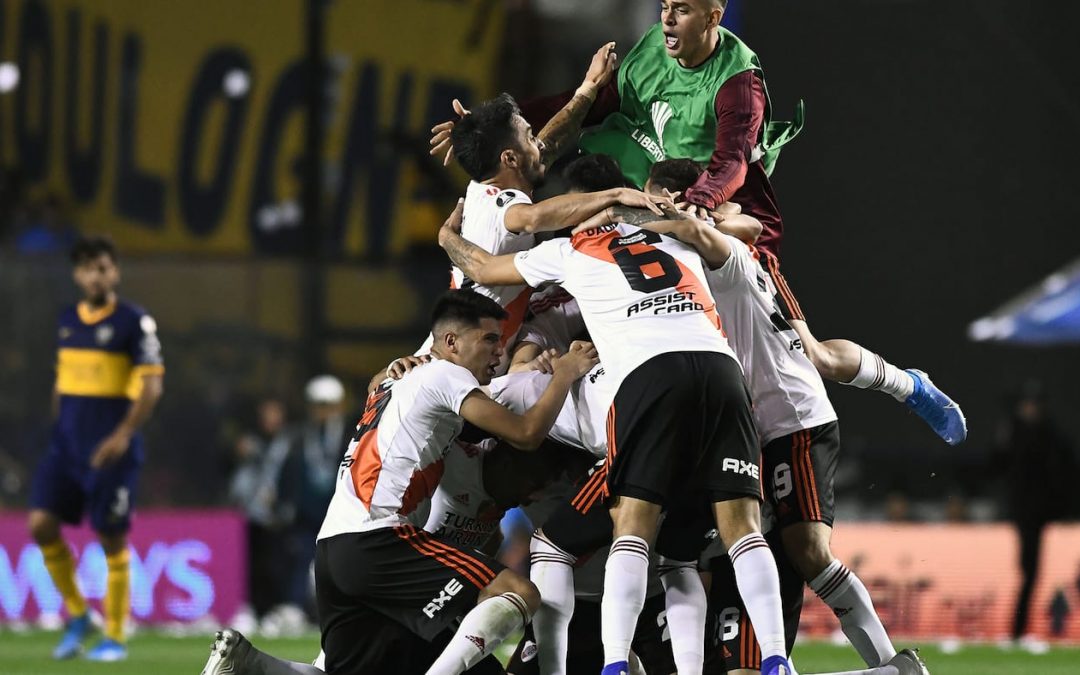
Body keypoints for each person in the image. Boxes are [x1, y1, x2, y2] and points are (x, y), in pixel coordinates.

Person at [430, 0, 967, 446]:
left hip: (715, 228)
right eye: (664, 6)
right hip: (650, 227)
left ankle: (905, 384)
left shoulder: (738, 81)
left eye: (681, 10)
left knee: (810, 357)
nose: (666, 19)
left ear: (714, 16)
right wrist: (485, 131)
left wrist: (699, 208)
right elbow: (589, 106)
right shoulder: (648, 55)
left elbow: (732, 160)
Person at [438, 208, 792, 675]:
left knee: (630, 527)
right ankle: (775, 659)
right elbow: (749, 230)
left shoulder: (569, 250)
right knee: (734, 533)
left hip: (648, 380)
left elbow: (482, 268)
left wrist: (446, 238)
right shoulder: (672, 236)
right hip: (722, 370)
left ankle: (615, 665)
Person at [203, 289, 598, 675]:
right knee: (519, 592)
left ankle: (250, 663)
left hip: (333, 550)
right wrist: (563, 373)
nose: (499, 351)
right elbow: (526, 432)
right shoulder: (446, 375)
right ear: (451, 342)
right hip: (380, 538)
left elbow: (380, 384)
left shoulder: (399, 379)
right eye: (490, 339)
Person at [637, 160, 929, 675]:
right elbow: (739, 221)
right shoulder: (688, 254)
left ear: (677, 201)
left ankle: (890, 664)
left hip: (789, 417)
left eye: (651, 199)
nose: (643, 210)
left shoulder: (718, 252)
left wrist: (644, 217)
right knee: (733, 548)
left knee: (808, 548)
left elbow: (730, 225)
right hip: (745, 428)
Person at [27, 235, 164, 661]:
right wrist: (61, 425)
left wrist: (122, 435)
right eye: (87, 268)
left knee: (111, 538)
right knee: (40, 525)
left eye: (102, 267)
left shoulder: (133, 322)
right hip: (66, 448)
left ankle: (116, 637)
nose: (95, 275)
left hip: (111, 450)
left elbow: (151, 385)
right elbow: (62, 380)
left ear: (115, 271)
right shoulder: (68, 318)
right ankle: (79, 614)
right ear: (77, 274)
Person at [993, 381, 1076, 651]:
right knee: (1029, 571)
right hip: (1026, 512)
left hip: (1041, 512)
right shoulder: (1019, 434)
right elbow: (998, 466)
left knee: (1031, 572)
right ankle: (1017, 631)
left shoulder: (1047, 435)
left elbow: (1064, 471)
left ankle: (1018, 631)